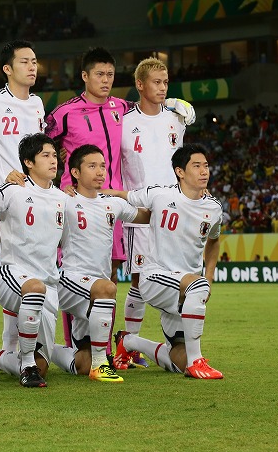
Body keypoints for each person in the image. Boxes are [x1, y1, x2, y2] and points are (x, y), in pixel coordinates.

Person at [46, 49, 194, 361]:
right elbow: (42, 144)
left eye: (110, 75)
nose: (105, 80)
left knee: (110, 276)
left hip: (113, 203)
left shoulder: (121, 109)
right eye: (99, 74)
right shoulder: (65, 112)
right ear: (85, 76)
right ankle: (76, 346)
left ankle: (107, 347)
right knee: (76, 272)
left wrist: (174, 103)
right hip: (78, 203)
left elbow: (151, 107)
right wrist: (59, 175)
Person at [114, 143, 224, 379]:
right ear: (180, 172)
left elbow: (214, 241)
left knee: (177, 363)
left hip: (185, 290)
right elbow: (123, 195)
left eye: (206, 166)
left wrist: (209, 276)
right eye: (197, 166)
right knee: (197, 285)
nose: (204, 171)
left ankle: (129, 341)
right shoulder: (161, 195)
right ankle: (197, 362)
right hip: (155, 277)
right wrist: (82, 191)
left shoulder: (214, 207)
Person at [0, 133, 69, 388]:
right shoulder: (13, 190)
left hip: (49, 283)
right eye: (45, 155)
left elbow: (66, 240)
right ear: (28, 162)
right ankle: (26, 365)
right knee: (34, 288)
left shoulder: (62, 198)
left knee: (43, 367)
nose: (53, 160)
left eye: (54, 155)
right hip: (11, 273)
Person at [0, 41, 46, 361]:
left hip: (31, 205)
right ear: (7, 69)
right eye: (24, 61)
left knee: (20, 280)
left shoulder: (38, 104)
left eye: (34, 61)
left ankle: (10, 353)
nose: (32, 66)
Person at [49, 145, 149, 382]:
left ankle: (43, 347)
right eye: (92, 166)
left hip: (95, 289)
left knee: (81, 363)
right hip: (71, 279)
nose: (100, 171)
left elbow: (147, 216)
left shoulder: (112, 203)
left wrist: (178, 202)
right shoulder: (63, 200)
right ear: (75, 172)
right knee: (107, 287)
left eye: (103, 166)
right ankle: (101, 365)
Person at [117, 56, 193, 369]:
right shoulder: (123, 121)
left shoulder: (177, 118)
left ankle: (175, 338)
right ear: (140, 84)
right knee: (139, 280)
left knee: (174, 276)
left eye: (166, 82)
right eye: (156, 82)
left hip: (172, 214)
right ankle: (128, 345)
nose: (162, 88)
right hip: (140, 214)